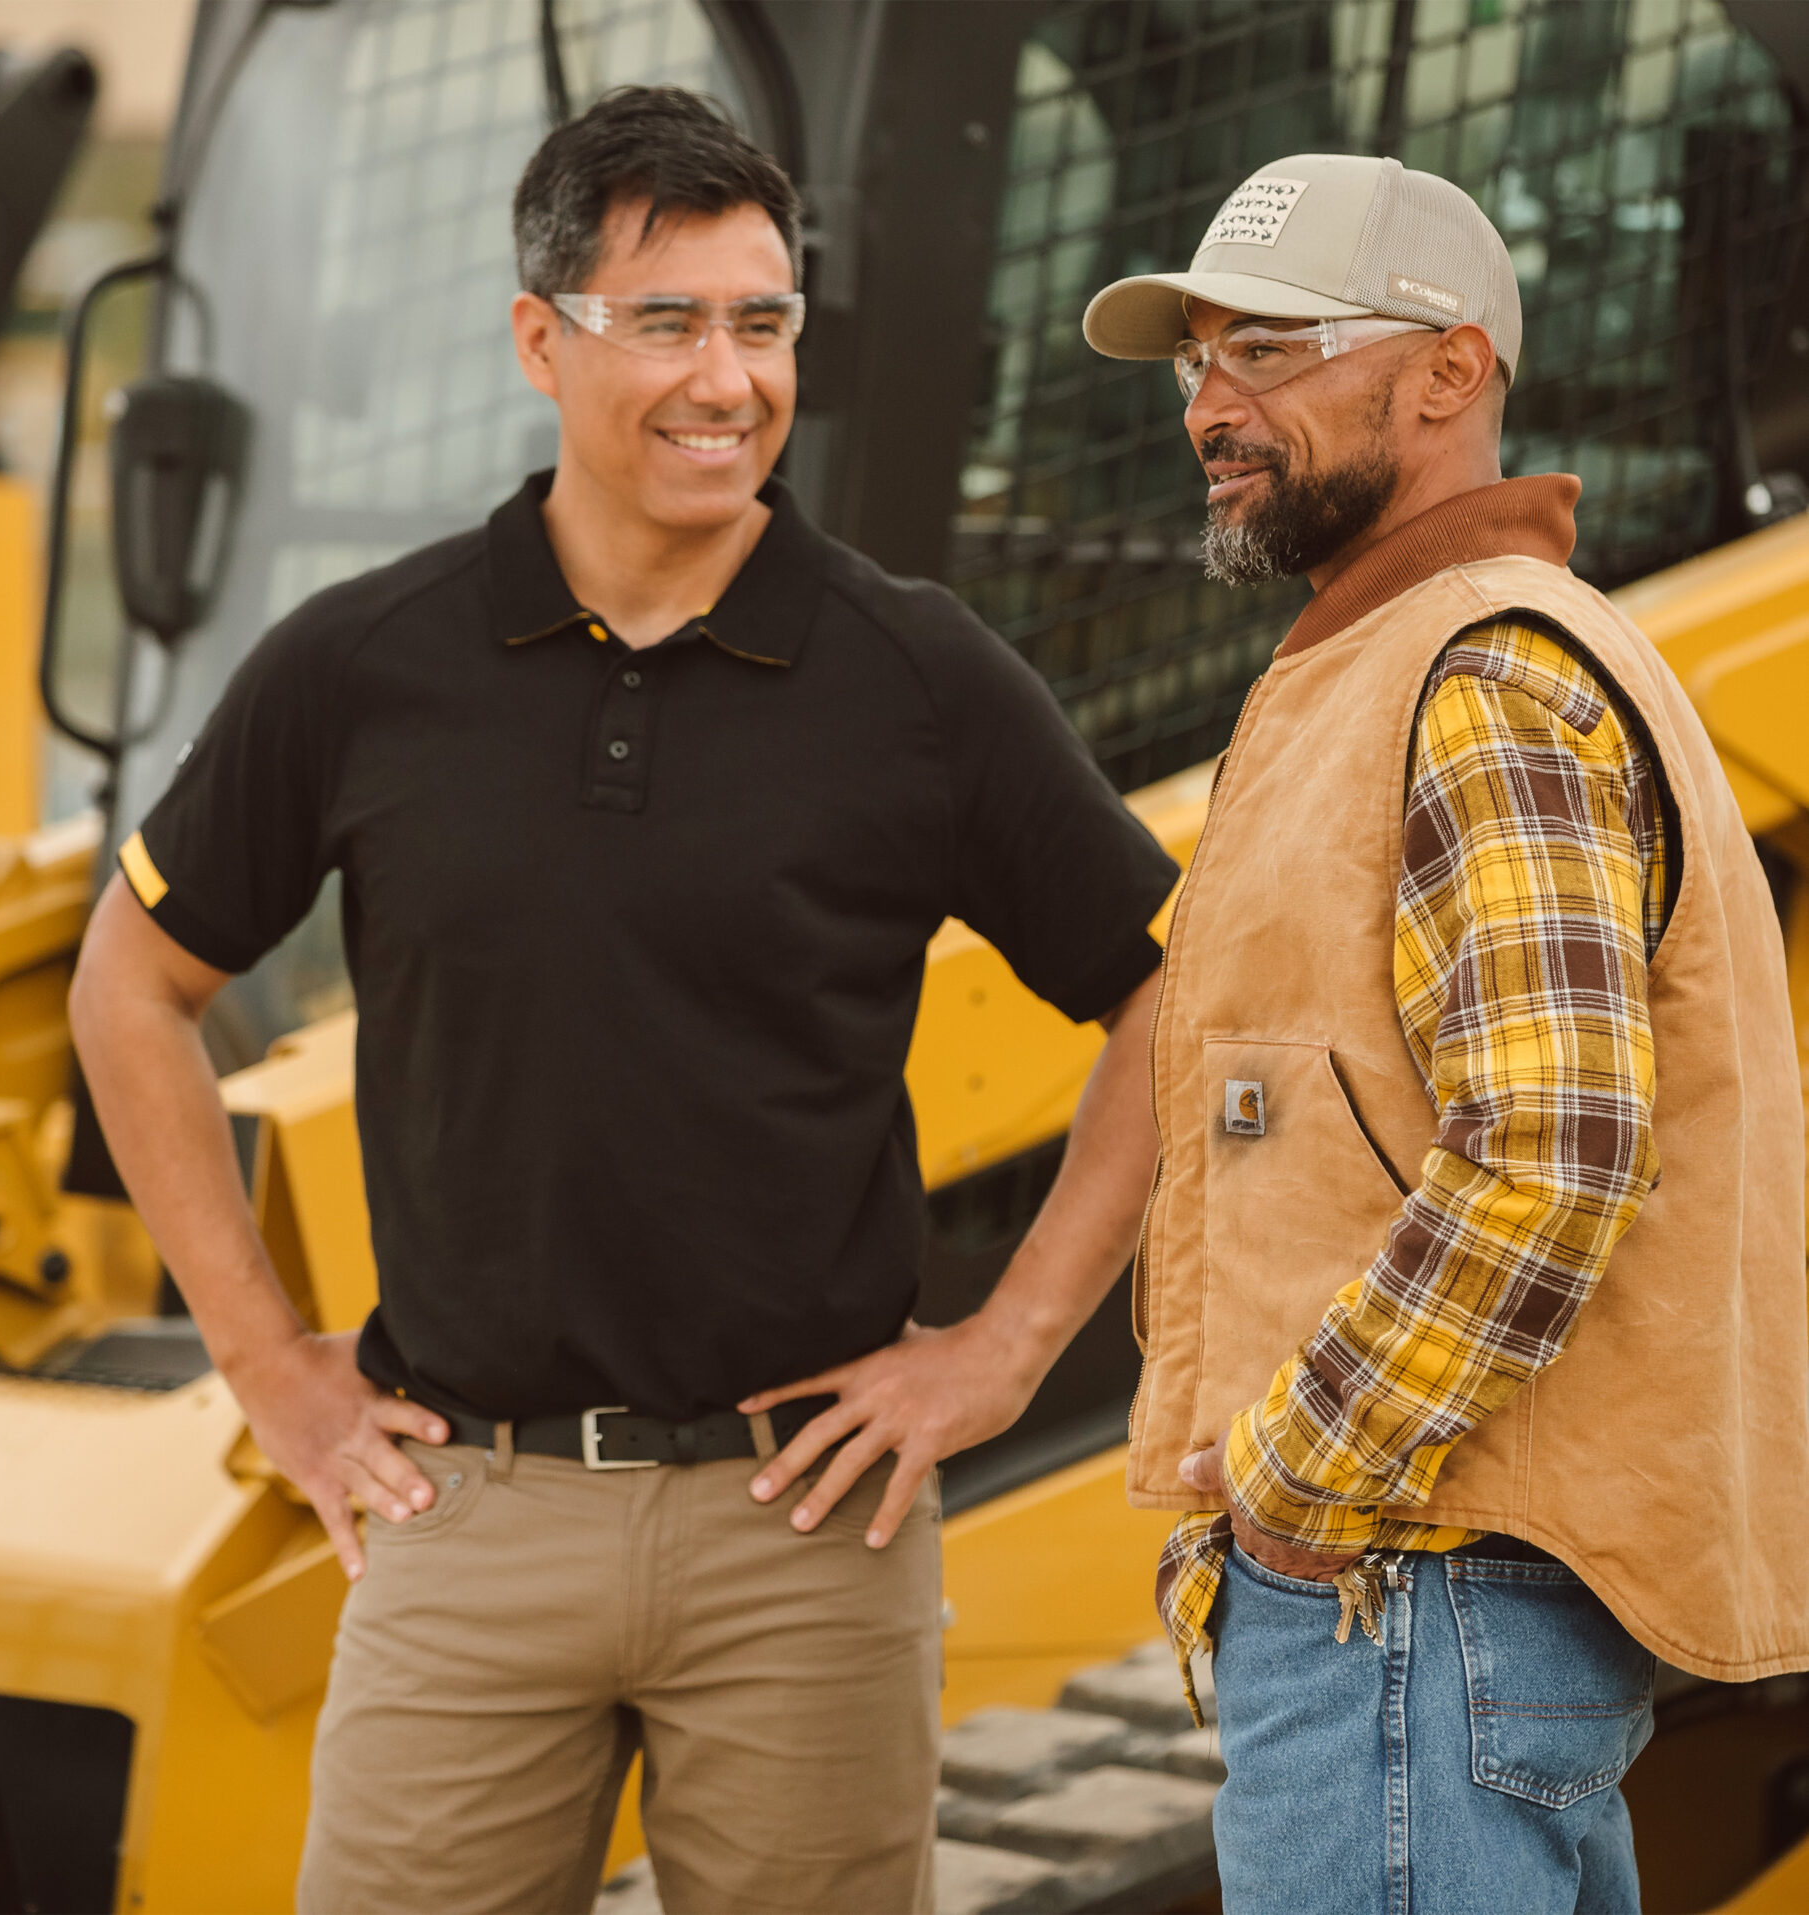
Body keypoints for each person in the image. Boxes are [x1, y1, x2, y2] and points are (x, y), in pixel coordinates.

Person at [70, 87, 1176, 1915]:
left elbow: (1169, 988)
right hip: (464, 1519)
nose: (726, 379)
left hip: (803, 1533)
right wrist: (269, 1365)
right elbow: (136, 982)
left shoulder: (916, 675)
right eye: (666, 322)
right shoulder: (358, 665)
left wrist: (1008, 1348)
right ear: (541, 338)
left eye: (764, 324)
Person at [1082, 152, 1809, 1914]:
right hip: (1424, 1604)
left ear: (1446, 373)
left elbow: (1552, 1152)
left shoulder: (1477, 680)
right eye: (1197, 363)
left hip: (1403, 1596)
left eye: (1267, 351)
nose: (1212, 407)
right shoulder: (1400, 664)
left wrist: (1288, 1483)